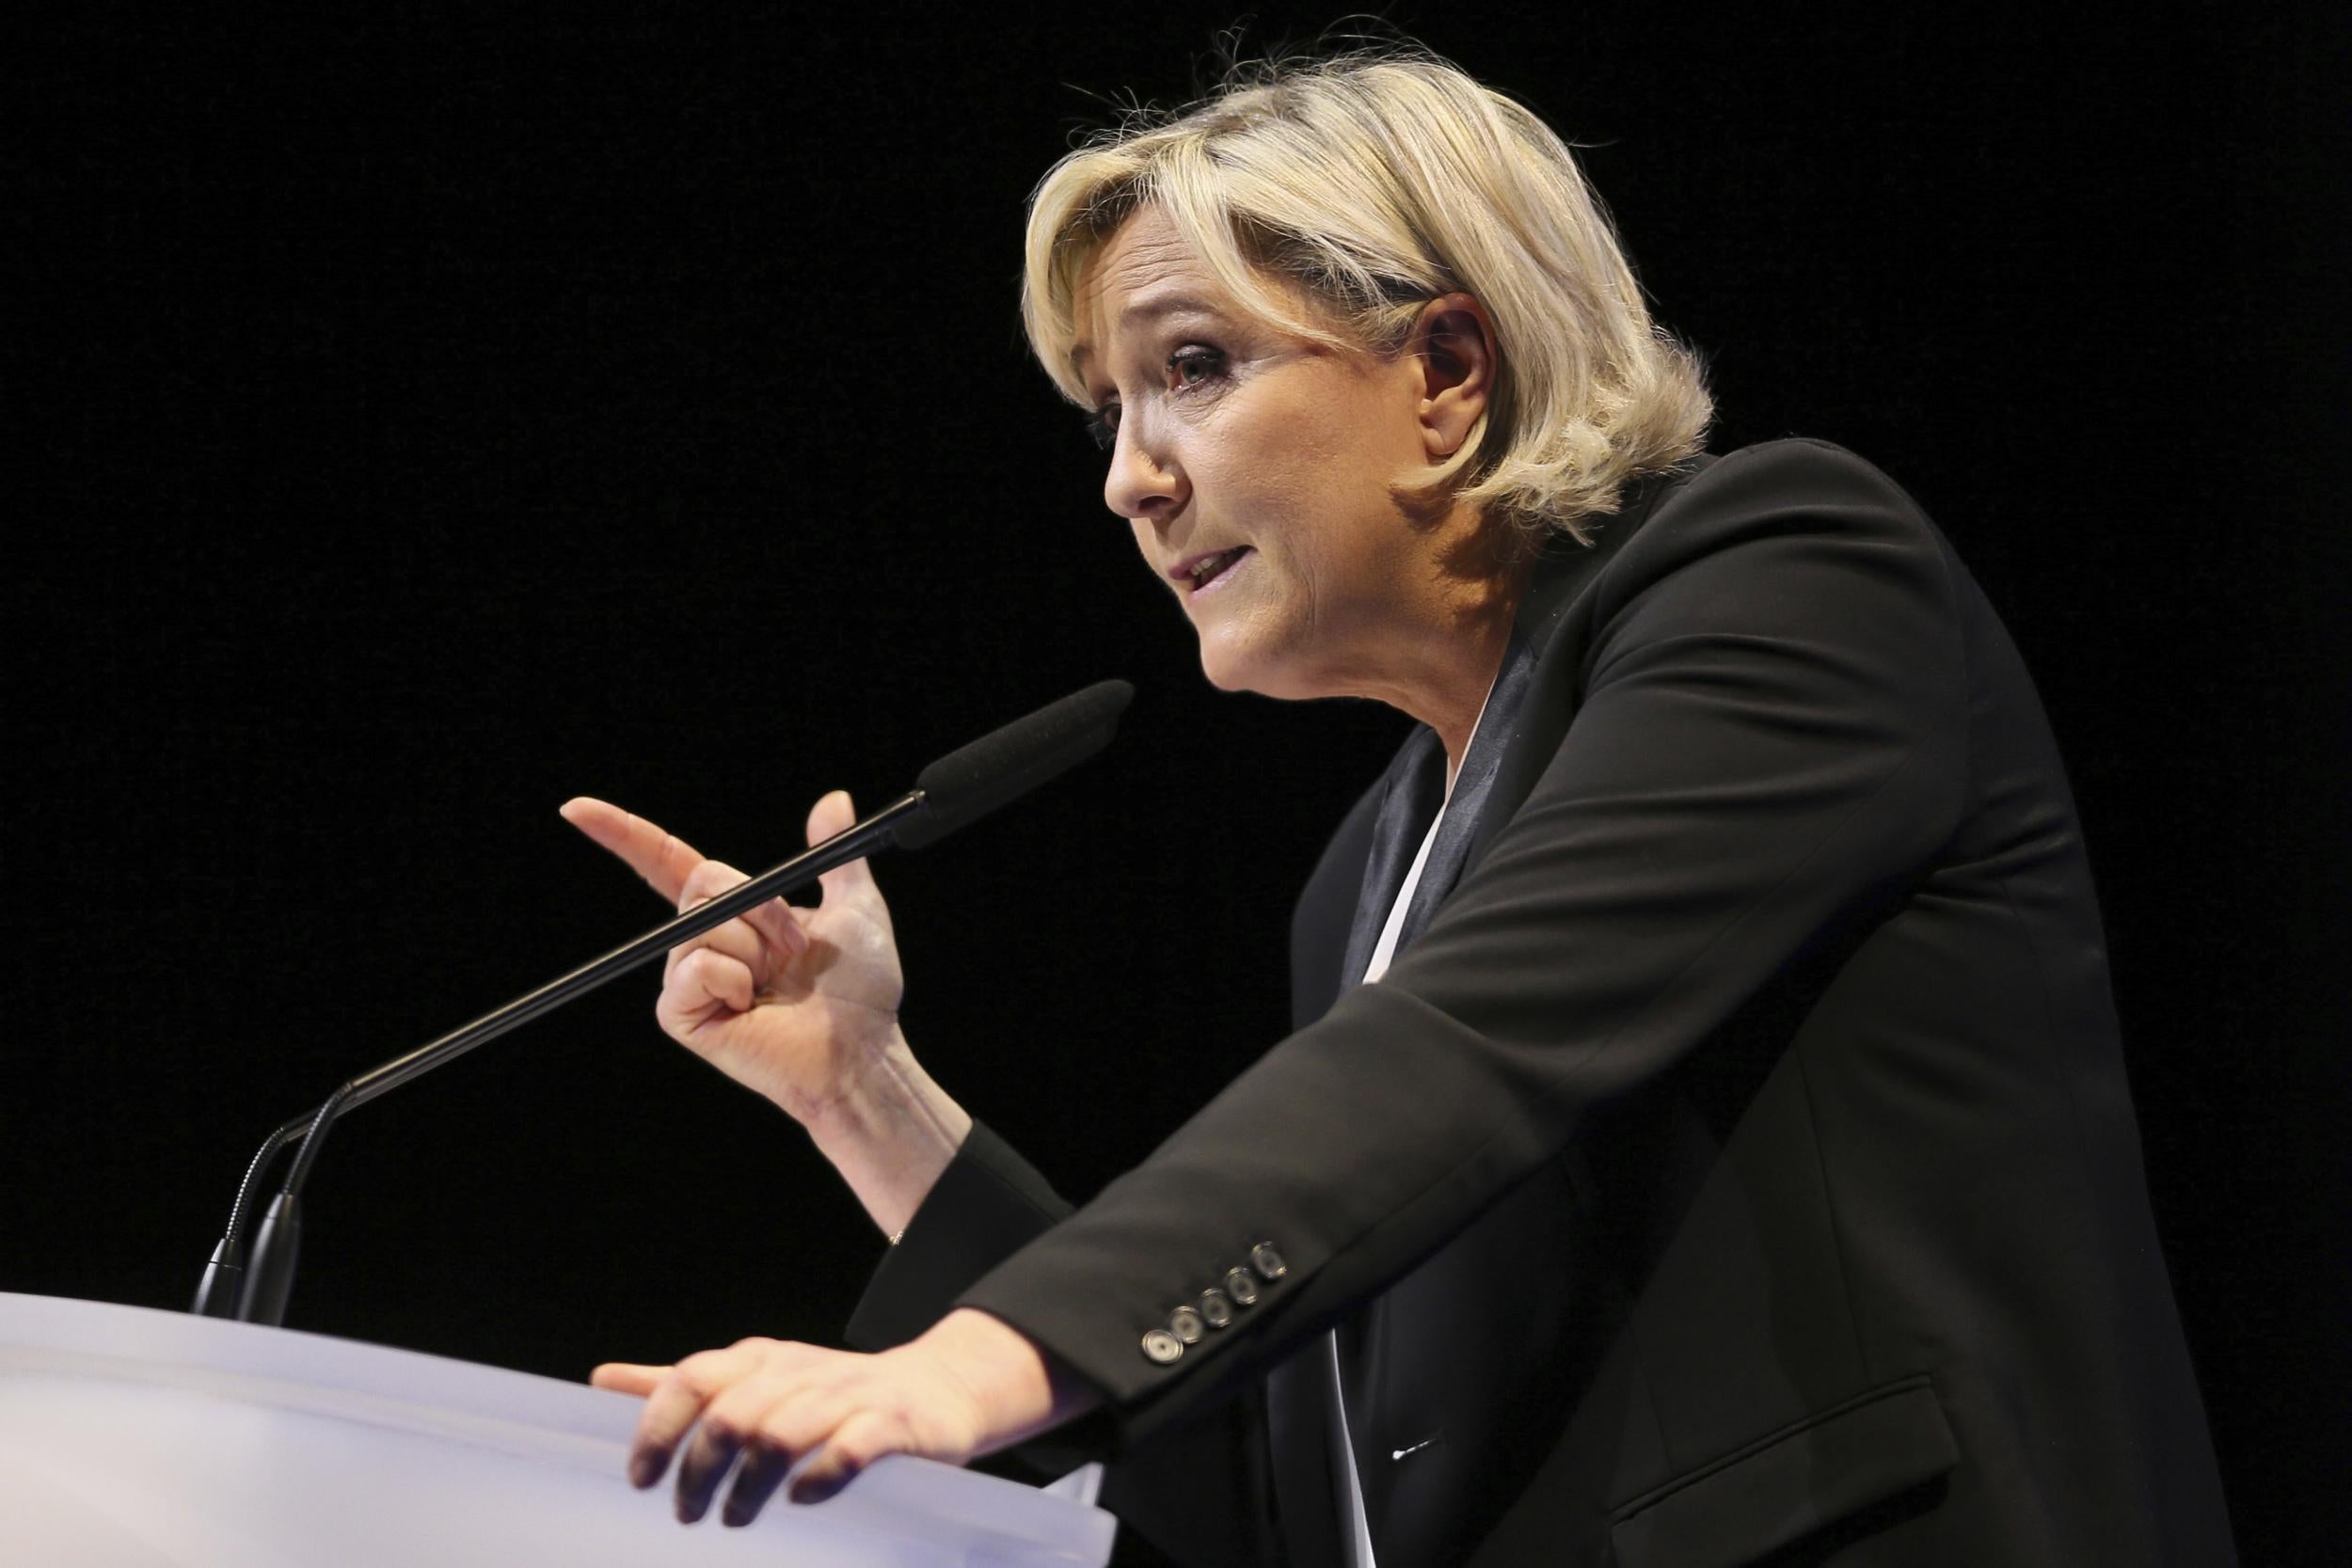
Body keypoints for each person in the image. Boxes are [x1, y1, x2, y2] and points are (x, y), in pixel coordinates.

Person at [564, 44, 2235, 1567]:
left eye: (1192, 367)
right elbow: (1279, 1492)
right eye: (1107, 409)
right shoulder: (1366, 877)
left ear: (1444, 369)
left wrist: (973, 1367)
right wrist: (868, 1094)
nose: (1128, 475)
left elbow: (1464, 1054)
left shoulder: (1789, 578)